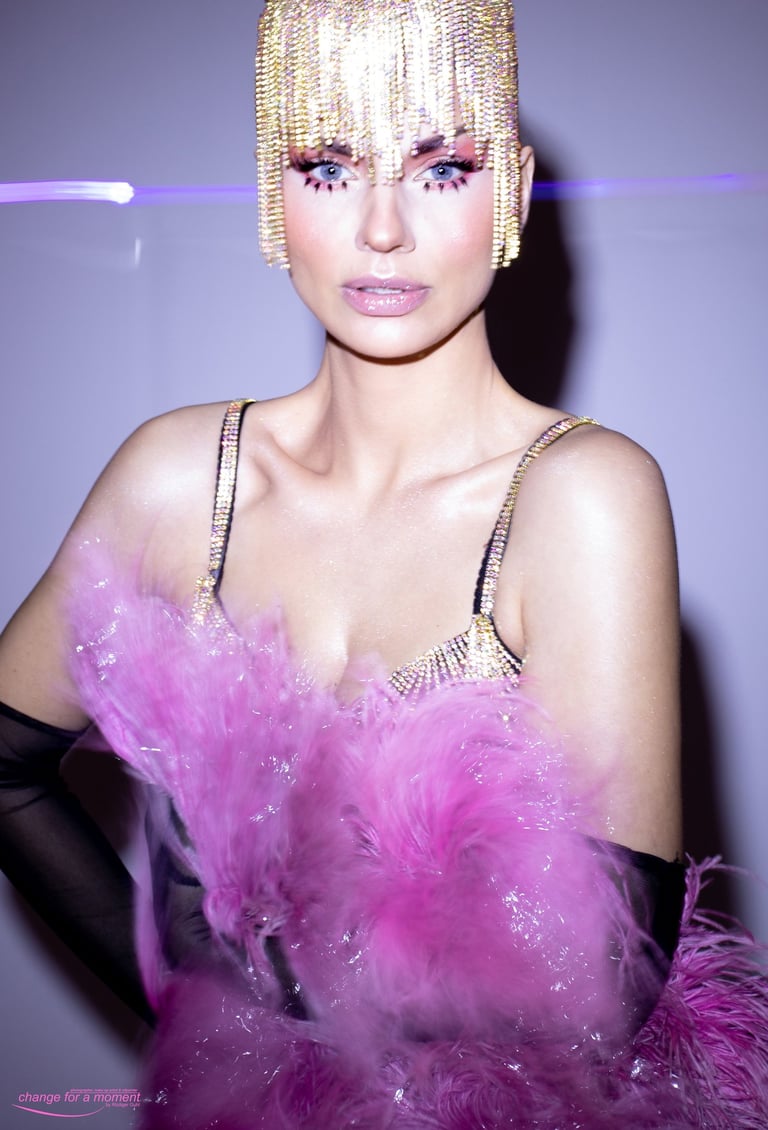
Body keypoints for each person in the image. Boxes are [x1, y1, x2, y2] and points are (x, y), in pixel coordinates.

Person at [1, 0, 766, 1126]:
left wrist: (273, 981)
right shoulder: (177, 480)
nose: (381, 229)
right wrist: (199, 1021)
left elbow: (600, 985)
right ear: (272, 194)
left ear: (512, 191)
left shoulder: (581, 497)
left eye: (441, 169)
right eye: (327, 166)